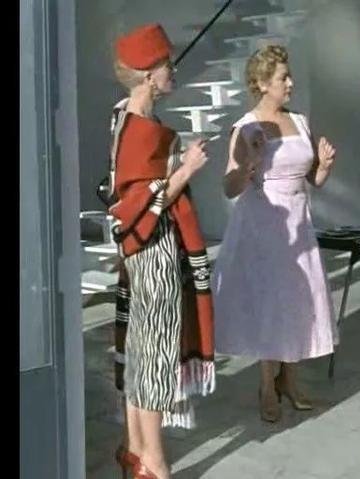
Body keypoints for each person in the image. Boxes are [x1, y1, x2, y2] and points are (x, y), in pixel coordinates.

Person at [109, 24, 215, 479]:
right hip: (154, 252)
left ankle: (135, 450)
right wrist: (187, 169)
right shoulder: (140, 129)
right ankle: (153, 460)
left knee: (140, 350)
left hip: (143, 252)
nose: (174, 70)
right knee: (156, 355)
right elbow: (141, 200)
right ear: (149, 74)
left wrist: (176, 162)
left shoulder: (127, 119)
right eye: (167, 64)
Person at [212, 45, 338, 423]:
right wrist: (249, 162)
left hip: (299, 221)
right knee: (270, 300)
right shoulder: (246, 126)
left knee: (298, 298)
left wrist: (324, 166)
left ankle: (290, 380)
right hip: (264, 222)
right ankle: (267, 384)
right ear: (263, 83)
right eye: (283, 77)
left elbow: (312, 179)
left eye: (289, 75)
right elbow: (229, 187)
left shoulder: (300, 121)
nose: (290, 83)